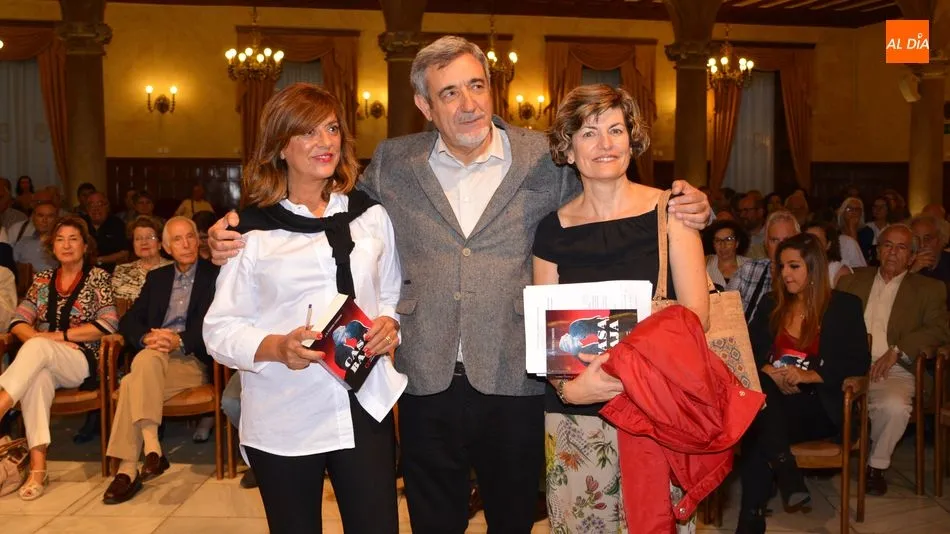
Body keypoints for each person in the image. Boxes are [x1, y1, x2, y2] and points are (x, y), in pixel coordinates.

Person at [207, 36, 711, 533]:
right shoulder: (394, 163)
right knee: (433, 520)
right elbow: (320, 209)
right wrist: (237, 226)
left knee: (513, 518)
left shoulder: (545, 157)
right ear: (425, 105)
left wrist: (688, 206)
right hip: (425, 376)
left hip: (516, 374)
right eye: (450, 92)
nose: (469, 104)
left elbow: (608, 195)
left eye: (476, 86)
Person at [202, 83, 406, 533]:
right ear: (279, 146)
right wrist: (276, 347)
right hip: (285, 410)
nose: (326, 142)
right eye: (309, 132)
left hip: (363, 403)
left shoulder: (370, 217)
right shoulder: (250, 232)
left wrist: (391, 323)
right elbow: (218, 330)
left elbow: (392, 291)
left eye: (332, 129)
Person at [532, 84, 709, 532]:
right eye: (589, 133)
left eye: (615, 129)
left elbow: (695, 319)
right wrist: (568, 390)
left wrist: (628, 375)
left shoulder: (672, 213)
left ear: (632, 139)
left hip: (657, 412)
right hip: (578, 418)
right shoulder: (551, 231)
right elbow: (547, 334)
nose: (606, 143)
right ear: (568, 150)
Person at [739, 233, 870, 533]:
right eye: (782, 266)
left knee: (757, 424)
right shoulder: (773, 303)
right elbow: (749, 347)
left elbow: (857, 361)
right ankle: (782, 479)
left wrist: (809, 375)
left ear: (814, 268)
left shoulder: (844, 306)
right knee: (760, 397)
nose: (785, 273)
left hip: (818, 406)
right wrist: (769, 369)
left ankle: (759, 509)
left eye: (794, 266)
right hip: (775, 402)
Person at [102, 216, 219, 504]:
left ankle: (128, 468)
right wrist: (146, 338)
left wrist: (179, 340)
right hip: (154, 356)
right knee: (147, 360)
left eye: (190, 236)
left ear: (198, 240)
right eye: (177, 239)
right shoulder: (158, 278)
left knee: (131, 382)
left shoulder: (215, 276)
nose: (186, 244)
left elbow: (219, 325)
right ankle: (149, 452)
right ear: (166, 247)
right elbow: (129, 320)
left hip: (190, 360)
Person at [0, 217, 118, 500]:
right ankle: (38, 470)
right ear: (51, 246)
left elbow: (108, 324)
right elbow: (18, 320)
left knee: (38, 348)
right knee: (37, 376)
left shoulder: (98, 276)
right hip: (42, 359)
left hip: (80, 359)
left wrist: (56, 338)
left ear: (84, 244)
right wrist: (40, 341)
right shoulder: (42, 280)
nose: (66, 245)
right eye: (60, 239)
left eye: (73, 238)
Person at [837, 224, 950, 495]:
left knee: (894, 406)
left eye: (901, 248)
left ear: (912, 257)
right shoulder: (852, 281)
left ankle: (876, 465)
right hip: (848, 363)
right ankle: (822, 457)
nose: (893, 253)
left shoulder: (929, 289)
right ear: (877, 250)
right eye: (888, 245)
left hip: (895, 367)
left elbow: (939, 329)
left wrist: (898, 349)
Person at [111, 217, 172, 302]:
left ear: (160, 243)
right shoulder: (121, 270)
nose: (144, 243)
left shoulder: (173, 269)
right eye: (138, 238)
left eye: (150, 237)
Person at [804, 221, 853, 288]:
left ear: (828, 245)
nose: (811, 244)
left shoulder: (839, 271)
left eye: (817, 240)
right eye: (808, 240)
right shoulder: (800, 268)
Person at [703, 219, 750, 289]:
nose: (723, 245)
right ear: (713, 244)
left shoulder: (750, 266)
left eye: (728, 239)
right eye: (718, 240)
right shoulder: (704, 264)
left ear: (737, 243)